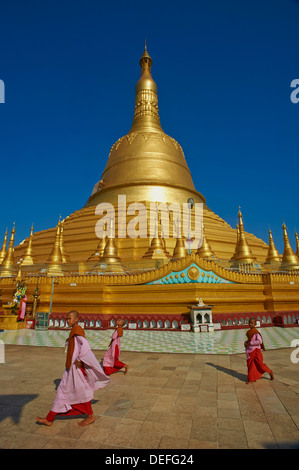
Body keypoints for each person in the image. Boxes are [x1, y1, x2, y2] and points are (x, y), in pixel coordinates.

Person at [36, 310, 110, 427]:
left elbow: (85, 347)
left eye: (69, 318)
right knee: (67, 391)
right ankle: (50, 418)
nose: (67, 321)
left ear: (76, 319)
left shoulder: (77, 330)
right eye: (66, 318)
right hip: (71, 367)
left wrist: (79, 359)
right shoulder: (74, 330)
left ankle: (89, 415)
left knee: (72, 391)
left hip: (75, 368)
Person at [244, 317, 274, 384]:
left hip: (256, 350)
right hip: (250, 350)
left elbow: (259, 341)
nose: (250, 324)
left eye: (252, 323)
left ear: (255, 324)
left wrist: (250, 343)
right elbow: (250, 340)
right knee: (250, 364)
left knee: (260, 364)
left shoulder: (256, 332)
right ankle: (251, 378)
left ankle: (270, 372)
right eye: (249, 323)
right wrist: (246, 342)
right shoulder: (249, 332)